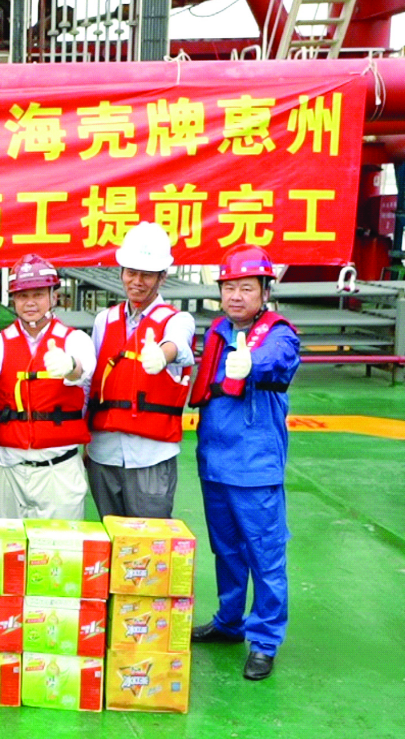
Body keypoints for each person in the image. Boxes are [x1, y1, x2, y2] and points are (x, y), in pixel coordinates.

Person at [189, 244, 300, 682]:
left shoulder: (278, 334)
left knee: (265, 556)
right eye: (229, 287)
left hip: (255, 468)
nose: (236, 295)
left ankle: (265, 640)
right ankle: (230, 621)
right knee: (227, 550)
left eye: (246, 287)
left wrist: (252, 361)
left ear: (264, 291)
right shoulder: (217, 332)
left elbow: (280, 360)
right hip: (215, 463)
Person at [0, 254, 96, 520]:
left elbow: (84, 370)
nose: (30, 302)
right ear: (13, 299)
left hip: (59, 467)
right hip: (7, 466)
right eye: (22, 295)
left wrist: (70, 365)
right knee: (9, 543)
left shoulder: (75, 340)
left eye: (38, 294)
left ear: (53, 296)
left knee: (62, 544)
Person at [85, 221, 196, 519]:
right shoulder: (103, 320)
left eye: (147, 274)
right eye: (131, 272)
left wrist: (162, 354)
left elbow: (179, 344)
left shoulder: (177, 319)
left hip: (151, 456)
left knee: (150, 539)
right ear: (121, 272)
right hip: (104, 453)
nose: (137, 281)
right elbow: (91, 382)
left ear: (162, 276)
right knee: (110, 535)